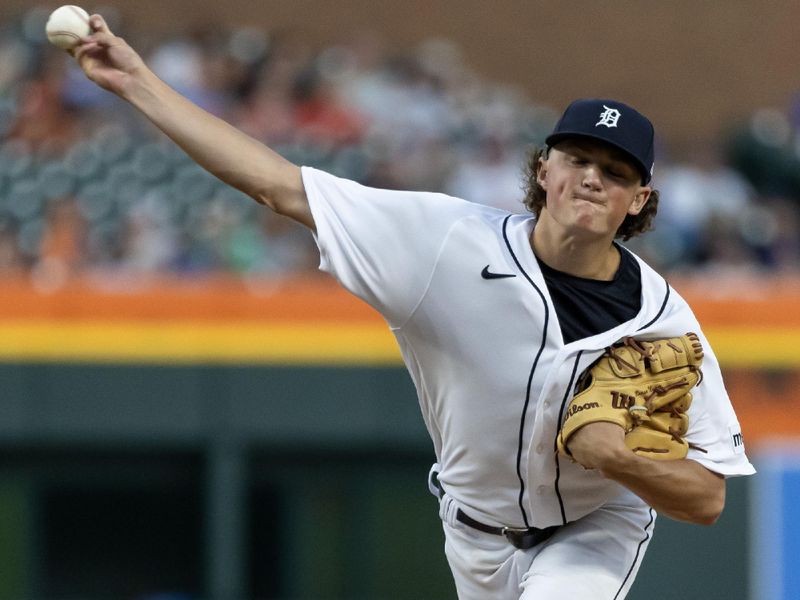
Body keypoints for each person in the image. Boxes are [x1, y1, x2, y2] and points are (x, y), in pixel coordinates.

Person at [71, 15, 755, 600]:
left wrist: (620, 460)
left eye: (615, 172)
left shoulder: (664, 321)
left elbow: (708, 499)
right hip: (474, 533)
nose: (591, 178)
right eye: (577, 158)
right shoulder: (444, 244)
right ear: (543, 168)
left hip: (597, 528)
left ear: (638, 201)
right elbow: (279, 187)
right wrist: (139, 83)